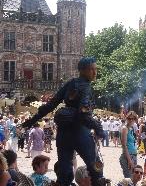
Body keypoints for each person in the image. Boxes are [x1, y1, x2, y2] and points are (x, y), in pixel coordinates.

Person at [21, 57, 105, 186]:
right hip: (79, 130)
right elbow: (83, 113)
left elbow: (50, 105)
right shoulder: (86, 87)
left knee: (64, 173)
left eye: (95, 69)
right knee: (96, 170)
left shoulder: (70, 83)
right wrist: (98, 128)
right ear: (82, 71)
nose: (95, 72)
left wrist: (32, 120)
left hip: (64, 133)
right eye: (91, 69)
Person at [120, 111, 138, 178]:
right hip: (128, 156)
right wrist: (129, 160)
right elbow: (124, 145)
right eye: (129, 118)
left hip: (133, 155)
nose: (131, 120)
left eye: (132, 118)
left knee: (133, 178)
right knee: (129, 179)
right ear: (126, 119)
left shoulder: (131, 128)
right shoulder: (124, 128)